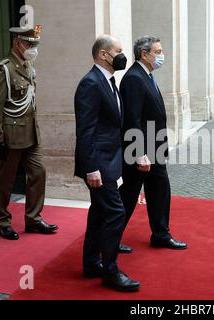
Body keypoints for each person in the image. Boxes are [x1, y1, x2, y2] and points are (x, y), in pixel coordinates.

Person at [74, 34, 140, 292]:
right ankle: (110, 271)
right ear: (103, 54)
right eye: (118, 50)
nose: (123, 55)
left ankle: (91, 262)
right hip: (98, 163)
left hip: (110, 161)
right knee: (115, 212)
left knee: (100, 212)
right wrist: (91, 168)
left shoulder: (109, 81)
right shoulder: (91, 83)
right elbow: (86, 130)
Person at [0, 25, 58, 241]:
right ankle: (3, 221)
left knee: (38, 173)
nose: (33, 48)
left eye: (35, 44)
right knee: (6, 180)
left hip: (30, 133)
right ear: (18, 43)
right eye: (30, 44)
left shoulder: (28, 66)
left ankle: (34, 219)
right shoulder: (4, 69)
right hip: (11, 136)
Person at [119, 36, 188, 251]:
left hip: (154, 146)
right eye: (158, 51)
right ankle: (108, 236)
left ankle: (160, 234)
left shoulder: (146, 75)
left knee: (159, 189)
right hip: (141, 150)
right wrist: (139, 152)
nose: (161, 55)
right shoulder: (134, 78)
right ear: (144, 54)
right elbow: (132, 118)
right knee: (129, 194)